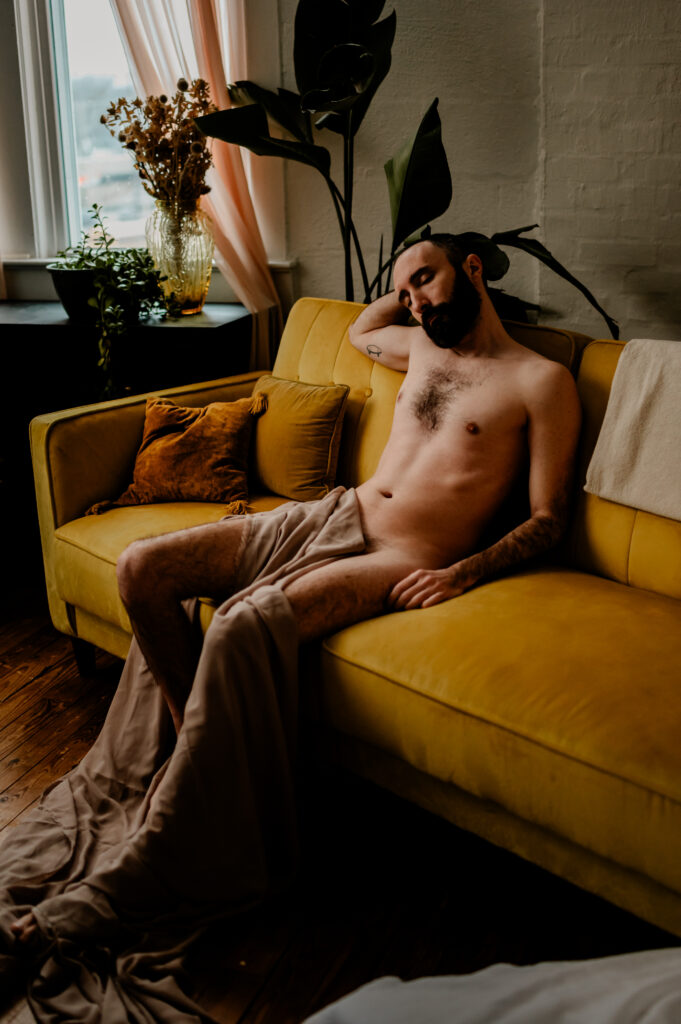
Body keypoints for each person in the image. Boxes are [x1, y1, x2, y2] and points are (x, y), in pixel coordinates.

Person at [8, 234, 580, 961]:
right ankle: (200, 752)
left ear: (472, 269)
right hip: (334, 511)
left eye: (427, 282)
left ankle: (172, 833)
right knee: (143, 568)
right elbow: (361, 330)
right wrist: (409, 279)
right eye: (405, 293)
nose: (414, 303)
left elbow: (548, 520)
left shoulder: (540, 381)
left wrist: (460, 573)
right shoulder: (419, 346)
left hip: (401, 553)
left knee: (244, 623)